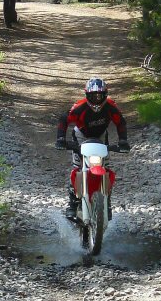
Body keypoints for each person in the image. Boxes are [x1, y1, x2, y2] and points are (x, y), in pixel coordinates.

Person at [55, 77, 130, 218]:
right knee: (77, 167)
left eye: (100, 95)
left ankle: (106, 202)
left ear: (105, 95)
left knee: (106, 168)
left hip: (101, 137)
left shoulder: (111, 107)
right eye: (93, 96)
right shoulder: (79, 107)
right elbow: (64, 119)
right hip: (81, 136)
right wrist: (60, 139)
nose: (97, 99)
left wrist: (123, 141)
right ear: (87, 95)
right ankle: (72, 202)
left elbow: (121, 123)